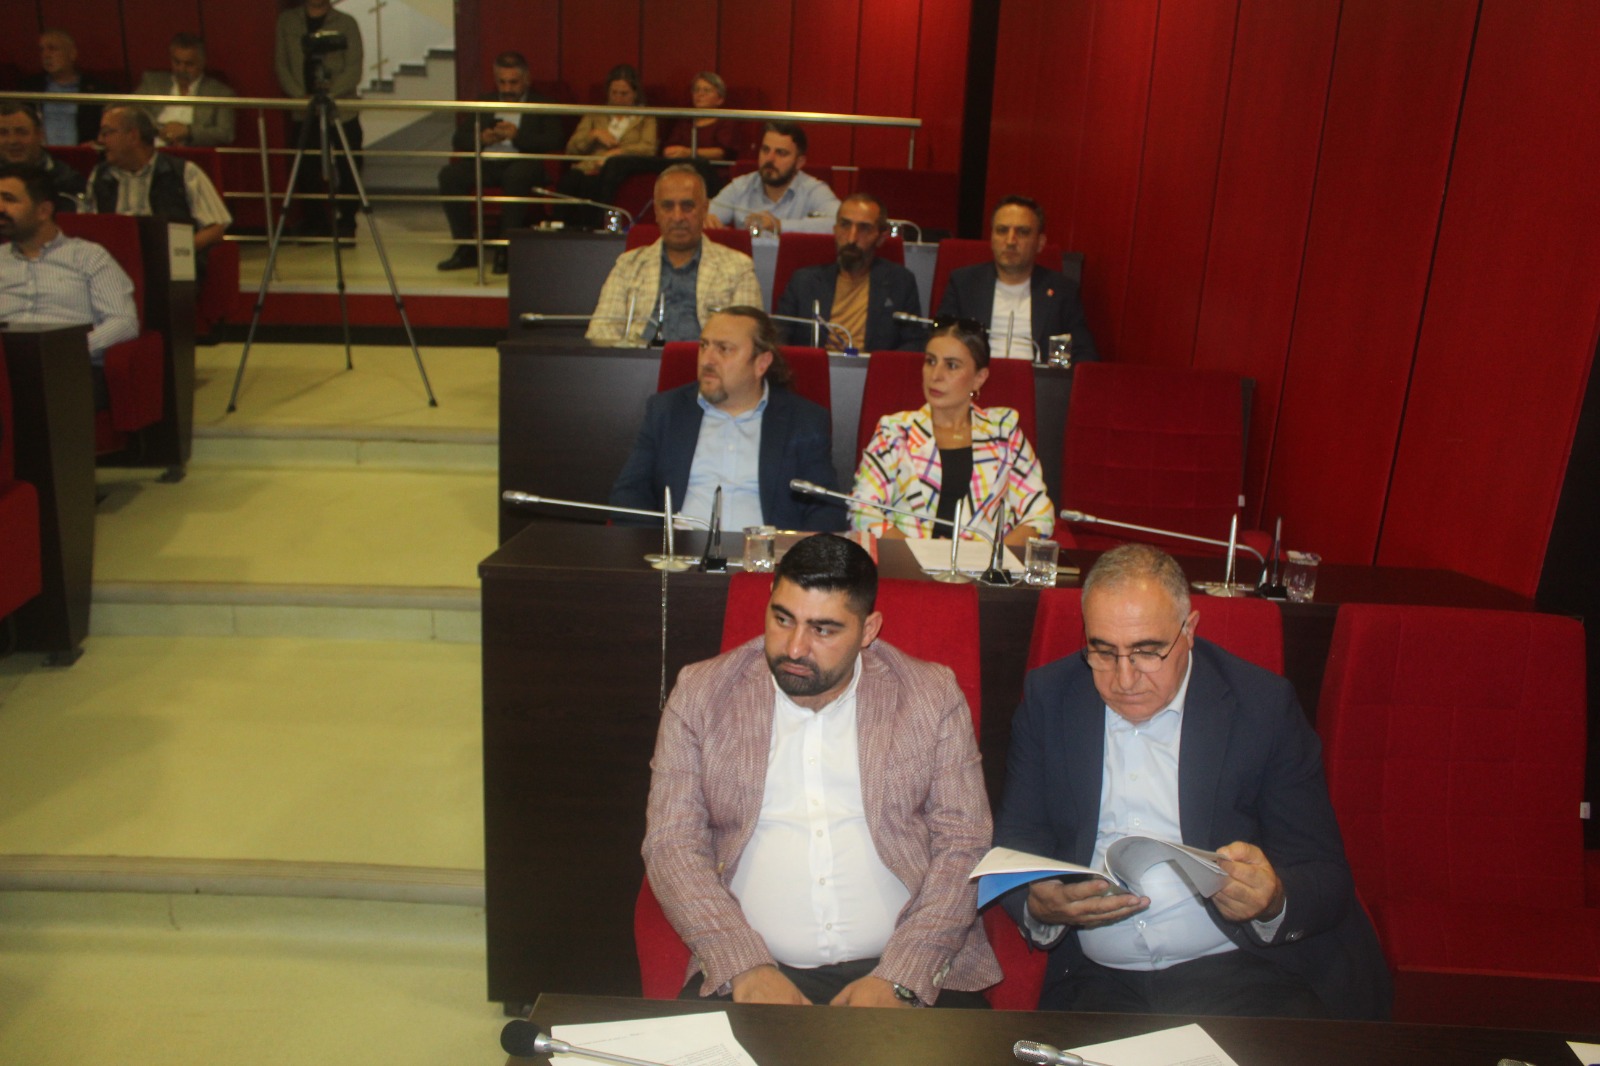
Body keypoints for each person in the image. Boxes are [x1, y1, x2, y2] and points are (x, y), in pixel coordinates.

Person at [994, 544, 1393, 1020]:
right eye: (1103, 652)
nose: (1124, 678)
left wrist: (1271, 898)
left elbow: (1324, 871)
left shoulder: (1261, 707)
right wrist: (1037, 902)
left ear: (1189, 631)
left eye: (1147, 652)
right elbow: (1017, 840)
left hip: (1240, 970)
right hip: (1097, 978)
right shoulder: (1050, 698)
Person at [643, 533, 1001, 1007]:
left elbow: (965, 844)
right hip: (751, 969)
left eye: (823, 630)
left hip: (909, 970)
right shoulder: (702, 693)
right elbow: (671, 843)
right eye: (782, 619)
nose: (795, 647)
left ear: (868, 630)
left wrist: (902, 976)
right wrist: (744, 965)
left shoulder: (929, 696)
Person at [608, 306, 843, 532]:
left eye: (724, 349)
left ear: (761, 363)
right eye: (704, 345)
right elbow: (629, 493)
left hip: (765, 557)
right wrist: (661, 545)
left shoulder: (803, 420)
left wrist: (792, 555)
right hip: (679, 553)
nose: (707, 360)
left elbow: (827, 509)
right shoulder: (666, 411)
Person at [852, 319, 1054, 545]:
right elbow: (863, 511)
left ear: (979, 378)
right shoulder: (894, 431)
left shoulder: (1004, 432)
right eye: (930, 361)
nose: (935, 375)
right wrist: (921, 556)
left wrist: (990, 559)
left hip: (984, 563)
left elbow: (1039, 515)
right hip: (907, 561)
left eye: (951, 365)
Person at [0, 163, 140, 408]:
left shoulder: (88, 256)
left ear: (43, 210)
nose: (0, 208)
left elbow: (124, 322)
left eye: (9, 199)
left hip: (69, 369)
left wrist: (68, 350)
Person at [585, 164, 761, 345]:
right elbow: (600, 332)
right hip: (638, 360)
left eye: (687, 206)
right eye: (668, 206)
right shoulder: (627, 265)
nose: (677, 217)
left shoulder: (738, 268)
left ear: (705, 209)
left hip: (707, 361)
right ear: (656, 212)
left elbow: (748, 340)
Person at [435, 51, 564, 274]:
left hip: (523, 162)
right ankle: (466, 248)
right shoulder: (485, 102)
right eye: (502, 82)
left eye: (513, 82)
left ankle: (505, 249)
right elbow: (459, 138)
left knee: (516, 176)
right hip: (489, 162)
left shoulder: (543, 104)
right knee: (449, 175)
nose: (507, 89)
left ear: (526, 80)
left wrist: (517, 136)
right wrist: (481, 138)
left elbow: (555, 140)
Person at [937, 195, 1098, 363]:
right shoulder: (964, 284)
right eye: (1002, 230)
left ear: (1040, 243)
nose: (1010, 241)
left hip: (1037, 377)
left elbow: (1085, 355)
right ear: (991, 238)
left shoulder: (1062, 291)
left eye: (1022, 232)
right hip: (976, 376)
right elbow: (938, 342)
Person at [90, 106, 232, 273]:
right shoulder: (100, 176)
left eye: (107, 133)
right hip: (112, 267)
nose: (100, 140)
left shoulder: (184, 172)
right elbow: (88, 226)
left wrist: (175, 252)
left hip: (168, 269)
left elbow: (216, 228)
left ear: (133, 136)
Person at [774, 192, 921, 352]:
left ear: (881, 237)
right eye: (845, 225)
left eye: (864, 228)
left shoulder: (900, 282)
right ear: (835, 230)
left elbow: (914, 343)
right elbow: (778, 338)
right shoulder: (803, 281)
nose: (851, 238)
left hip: (872, 366)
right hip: (815, 365)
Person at [274, 0, 365, 240]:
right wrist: (301, 97)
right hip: (303, 109)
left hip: (341, 109)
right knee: (306, 166)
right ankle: (316, 221)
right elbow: (282, 64)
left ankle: (347, 220)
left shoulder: (346, 23)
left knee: (349, 165)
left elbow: (354, 68)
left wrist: (327, 97)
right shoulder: (287, 21)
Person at [556, 63, 657, 225]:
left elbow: (649, 148)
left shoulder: (645, 116)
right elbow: (572, 147)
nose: (618, 99)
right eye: (614, 93)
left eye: (624, 94)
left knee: (593, 184)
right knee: (570, 181)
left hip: (620, 167)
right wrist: (593, 135)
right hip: (589, 166)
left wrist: (618, 152)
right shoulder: (596, 113)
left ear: (635, 94)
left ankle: (593, 228)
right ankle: (563, 229)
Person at [707, 122, 839, 234]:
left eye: (781, 153)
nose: (769, 159)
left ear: (799, 162)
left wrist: (779, 225)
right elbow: (710, 216)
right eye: (765, 150)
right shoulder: (740, 186)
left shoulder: (813, 190)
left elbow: (838, 223)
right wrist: (707, 221)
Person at [132, 32, 237, 147]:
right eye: (177, 62)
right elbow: (132, 114)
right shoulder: (152, 82)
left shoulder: (221, 93)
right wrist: (157, 131)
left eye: (189, 64)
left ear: (202, 63)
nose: (181, 69)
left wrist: (188, 131)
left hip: (192, 152)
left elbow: (226, 134)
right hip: (150, 149)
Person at [22, 30, 111, 147]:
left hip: (82, 154)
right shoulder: (30, 88)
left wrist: (96, 143)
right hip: (41, 155)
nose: (46, 55)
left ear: (72, 54)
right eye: (42, 50)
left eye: (52, 49)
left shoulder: (97, 89)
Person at [0, 103, 86, 213]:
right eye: (3, 133)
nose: (13, 141)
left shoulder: (67, 180)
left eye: (21, 132)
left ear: (39, 135)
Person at [661, 71, 740, 162]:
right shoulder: (686, 120)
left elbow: (721, 153)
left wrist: (688, 153)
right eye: (696, 90)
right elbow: (669, 147)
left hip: (712, 168)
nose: (700, 94)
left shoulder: (726, 121)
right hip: (681, 166)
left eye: (706, 90)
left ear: (720, 99)